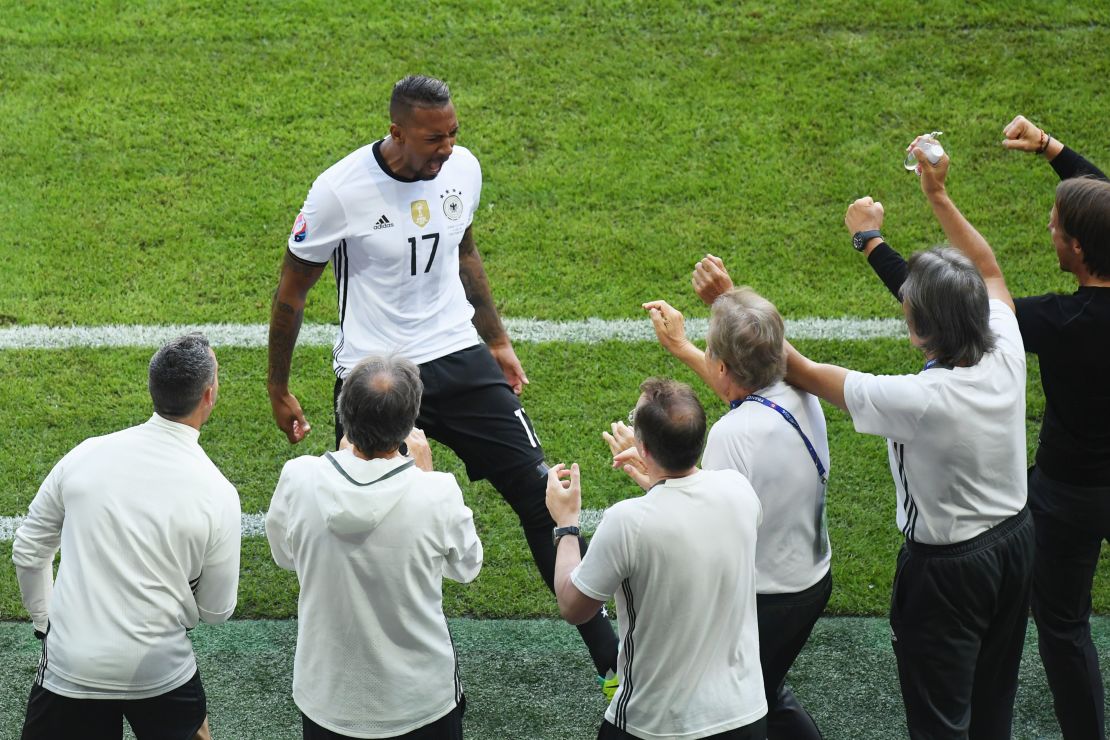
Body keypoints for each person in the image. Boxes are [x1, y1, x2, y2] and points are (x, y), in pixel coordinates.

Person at [265, 74, 618, 685]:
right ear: (396, 131)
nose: (448, 148)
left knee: (542, 494)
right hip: (375, 375)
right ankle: (370, 667)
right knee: (368, 520)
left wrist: (498, 339)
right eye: (434, 138)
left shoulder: (461, 170)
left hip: (459, 352)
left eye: (454, 133)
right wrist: (278, 386)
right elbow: (291, 295)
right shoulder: (339, 191)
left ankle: (613, 665)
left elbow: (464, 252)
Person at [863, 119, 1110, 739]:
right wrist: (1054, 150)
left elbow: (955, 310)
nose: (1048, 228)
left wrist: (875, 242)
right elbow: (1101, 195)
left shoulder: (1062, 321)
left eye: (1057, 226)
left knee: (1062, 622)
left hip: (1070, 497)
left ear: (1078, 250)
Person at [793, 170, 1033, 736]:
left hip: (949, 573)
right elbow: (990, 270)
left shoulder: (920, 399)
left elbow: (800, 370)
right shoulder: (1005, 340)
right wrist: (882, 235)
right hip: (1017, 544)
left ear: (922, 331)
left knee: (939, 719)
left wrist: (727, 297)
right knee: (992, 703)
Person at [617, 278, 830, 740]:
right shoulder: (800, 393)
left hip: (770, 596)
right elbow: (745, 397)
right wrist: (682, 347)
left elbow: (700, 521)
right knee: (770, 690)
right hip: (810, 580)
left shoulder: (733, 435)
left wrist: (652, 476)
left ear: (722, 365)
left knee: (755, 700)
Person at [12, 332, 240, 740]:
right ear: (208, 396)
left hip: (71, 666)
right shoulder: (219, 491)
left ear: (153, 390)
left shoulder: (84, 455)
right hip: (161, 671)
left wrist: (46, 623)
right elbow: (216, 612)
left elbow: (29, 551)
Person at [266, 354, 481, 739]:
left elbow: (285, 556)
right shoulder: (435, 491)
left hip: (327, 700)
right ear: (409, 424)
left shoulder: (298, 478)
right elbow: (467, 567)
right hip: (420, 703)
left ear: (344, 415)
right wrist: (426, 475)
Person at [547, 377, 768, 740]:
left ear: (644, 448)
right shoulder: (740, 491)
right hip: (744, 716)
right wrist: (659, 481)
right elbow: (695, 516)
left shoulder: (628, 522)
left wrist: (566, 524)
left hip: (656, 724)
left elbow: (573, 606)